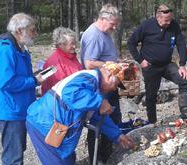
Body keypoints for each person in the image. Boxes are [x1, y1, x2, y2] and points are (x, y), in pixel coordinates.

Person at [26, 63, 135, 164]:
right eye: (116, 84)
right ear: (108, 76)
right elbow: (70, 93)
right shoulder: (89, 78)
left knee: (68, 160)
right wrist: (99, 102)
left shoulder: (95, 86)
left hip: (55, 127)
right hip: (43, 123)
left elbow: (95, 116)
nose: (114, 89)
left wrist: (118, 135)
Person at [0, 13, 43, 164]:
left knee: (17, 151)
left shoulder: (19, 47)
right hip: (9, 110)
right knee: (13, 156)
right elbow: (6, 82)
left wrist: (34, 78)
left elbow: (18, 75)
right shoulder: (5, 49)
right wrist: (33, 80)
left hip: (17, 108)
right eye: (32, 30)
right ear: (19, 30)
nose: (35, 33)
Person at [127, 4, 187, 124]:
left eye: (170, 19)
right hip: (150, 66)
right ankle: (152, 122)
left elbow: (181, 44)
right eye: (166, 20)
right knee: (151, 95)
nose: (168, 22)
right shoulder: (146, 25)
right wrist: (140, 60)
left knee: (184, 80)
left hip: (167, 65)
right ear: (158, 17)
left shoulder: (174, 25)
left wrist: (182, 65)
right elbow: (131, 43)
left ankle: (185, 115)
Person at [80, 4, 122, 164]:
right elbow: (89, 63)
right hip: (100, 86)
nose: (115, 26)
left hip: (108, 84)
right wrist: (109, 64)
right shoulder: (94, 35)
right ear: (103, 19)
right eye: (113, 23)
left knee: (112, 118)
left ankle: (108, 154)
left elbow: (103, 58)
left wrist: (116, 63)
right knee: (99, 122)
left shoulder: (104, 32)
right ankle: (97, 159)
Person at [41, 27, 82, 95]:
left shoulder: (71, 56)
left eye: (75, 43)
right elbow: (60, 88)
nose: (74, 46)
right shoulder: (55, 63)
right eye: (71, 44)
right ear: (61, 44)